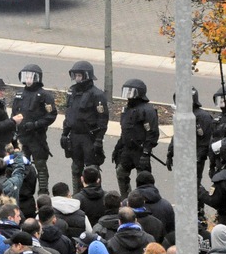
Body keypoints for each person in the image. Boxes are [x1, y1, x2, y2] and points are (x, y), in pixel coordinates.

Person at [60, 61, 109, 189]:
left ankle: (95, 194)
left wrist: (99, 139)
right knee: (76, 167)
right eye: (75, 75)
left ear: (87, 76)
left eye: (79, 76)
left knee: (92, 169)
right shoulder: (72, 92)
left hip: (89, 136)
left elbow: (103, 119)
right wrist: (64, 133)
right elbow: (69, 114)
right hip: (75, 135)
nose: (77, 78)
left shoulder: (97, 94)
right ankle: (78, 196)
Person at [11, 64, 57, 194]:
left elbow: (51, 115)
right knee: (21, 164)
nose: (28, 79)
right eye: (26, 76)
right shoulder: (19, 94)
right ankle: (23, 189)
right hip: (22, 136)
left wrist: (36, 124)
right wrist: (13, 128)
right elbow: (13, 113)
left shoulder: (44, 96)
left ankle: (43, 190)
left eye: (31, 76)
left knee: (40, 165)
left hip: (37, 136)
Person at [113, 78, 160, 197]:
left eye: (131, 92)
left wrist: (146, 152)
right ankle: (126, 198)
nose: (128, 96)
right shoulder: (127, 109)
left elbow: (153, 133)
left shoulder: (147, 110)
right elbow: (125, 131)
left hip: (140, 150)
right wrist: (118, 147)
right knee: (121, 173)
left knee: (143, 180)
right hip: (127, 150)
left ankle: (143, 200)